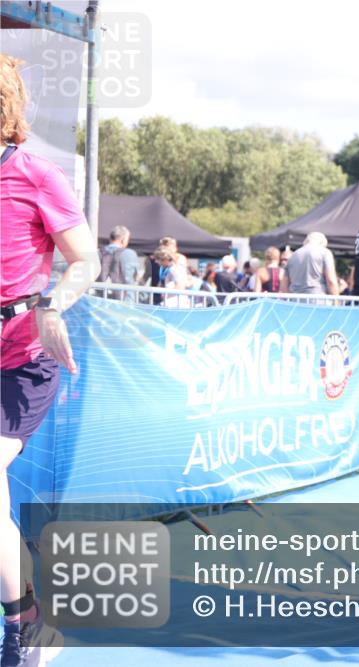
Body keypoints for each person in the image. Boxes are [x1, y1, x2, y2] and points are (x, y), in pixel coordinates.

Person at [1, 53, 100, 667]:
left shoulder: (35, 174)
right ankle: (33, 614)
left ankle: (22, 632)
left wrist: (53, 307)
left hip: (24, 357)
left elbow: (85, 261)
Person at [97, 225, 141, 302]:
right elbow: (135, 275)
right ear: (123, 240)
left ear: (110, 238)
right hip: (124, 300)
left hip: (100, 299)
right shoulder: (129, 253)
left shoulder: (98, 253)